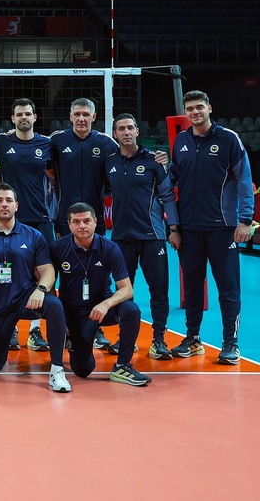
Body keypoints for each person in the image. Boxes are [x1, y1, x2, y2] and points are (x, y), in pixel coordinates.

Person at [167, 90, 252, 365]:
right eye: (190, 108)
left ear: (209, 108)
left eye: (199, 107)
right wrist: (173, 227)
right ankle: (193, 339)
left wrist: (245, 220)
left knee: (228, 288)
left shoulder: (228, 139)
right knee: (192, 287)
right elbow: (171, 180)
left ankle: (231, 343)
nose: (195, 112)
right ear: (186, 113)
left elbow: (244, 180)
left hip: (222, 228)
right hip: (189, 229)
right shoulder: (181, 141)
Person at [0, 184, 71, 393]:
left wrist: (40, 289)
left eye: (9, 200)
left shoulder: (33, 236)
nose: (4, 204)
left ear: (16, 205)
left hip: (25, 299)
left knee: (55, 306)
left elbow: (48, 271)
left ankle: (57, 370)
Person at [50, 203, 152, 386]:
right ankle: (74, 342)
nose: (82, 226)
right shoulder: (57, 248)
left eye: (86, 221)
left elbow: (127, 289)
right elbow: (50, 285)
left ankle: (123, 366)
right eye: (76, 222)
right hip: (73, 313)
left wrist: (106, 304)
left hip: (101, 308)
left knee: (131, 310)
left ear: (95, 222)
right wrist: (60, 318)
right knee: (83, 370)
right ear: (69, 224)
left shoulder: (110, 248)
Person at [105, 113, 177, 359]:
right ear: (115, 134)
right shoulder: (109, 162)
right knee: (124, 290)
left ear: (137, 131)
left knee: (159, 290)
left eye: (130, 128)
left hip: (152, 236)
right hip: (121, 238)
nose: (126, 132)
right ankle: (126, 339)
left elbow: (168, 196)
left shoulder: (153, 161)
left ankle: (159, 340)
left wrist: (174, 228)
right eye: (121, 129)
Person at [49, 97, 118, 350]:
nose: (81, 118)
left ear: (94, 116)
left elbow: (121, 164)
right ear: (70, 116)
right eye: (77, 114)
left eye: (85, 114)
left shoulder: (106, 143)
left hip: (94, 221)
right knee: (65, 274)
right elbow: (48, 168)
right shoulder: (57, 141)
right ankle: (67, 327)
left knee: (97, 274)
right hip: (64, 219)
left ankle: (95, 326)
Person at [0, 98, 55, 352]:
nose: (24, 117)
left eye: (28, 113)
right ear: (13, 118)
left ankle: (35, 330)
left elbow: (54, 174)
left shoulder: (47, 144)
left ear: (35, 117)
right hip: (10, 219)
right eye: (19, 114)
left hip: (40, 218)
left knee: (41, 273)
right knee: (8, 273)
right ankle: (11, 327)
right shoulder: (0, 142)